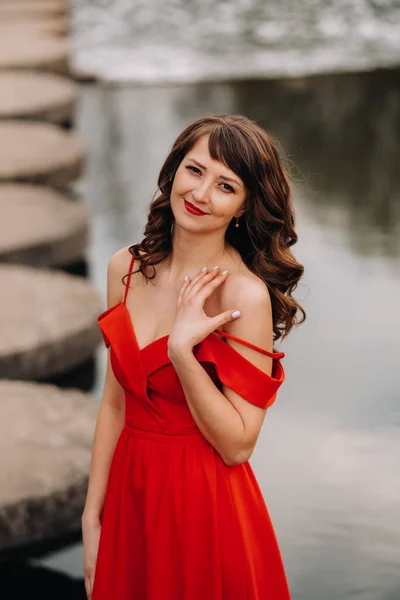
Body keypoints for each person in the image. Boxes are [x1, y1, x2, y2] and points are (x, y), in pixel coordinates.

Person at [82, 114, 305, 600]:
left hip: (204, 505)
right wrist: (92, 514)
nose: (201, 194)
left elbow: (238, 446)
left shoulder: (244, 295)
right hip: (129, 495)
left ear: (244, 207)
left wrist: (183, 352)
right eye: (195, 170)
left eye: (226, 185)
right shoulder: (126, 268)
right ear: (173, 171)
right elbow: (114, 405)